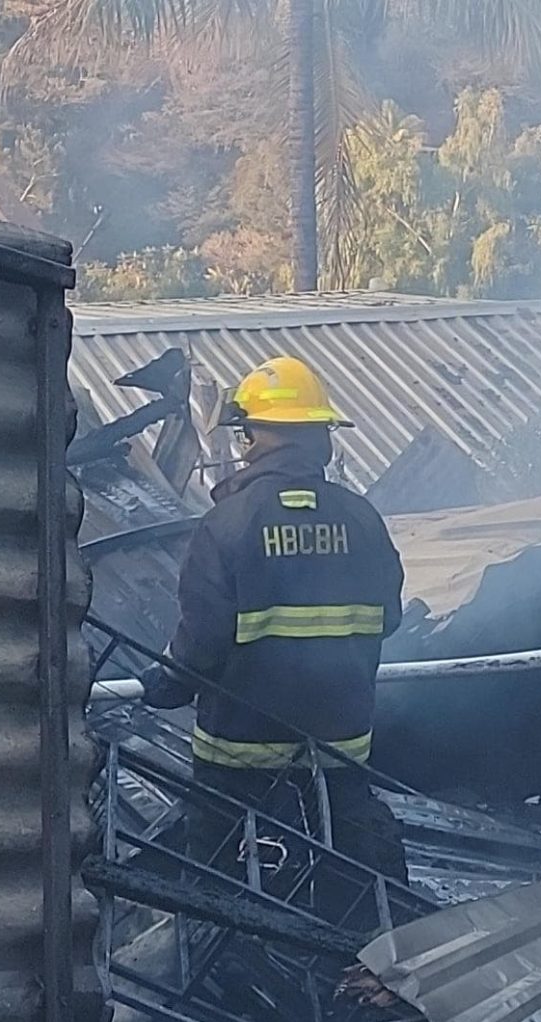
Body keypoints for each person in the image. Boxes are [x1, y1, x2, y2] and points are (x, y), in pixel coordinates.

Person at [141, 354, 406, 887]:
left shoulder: (226, 525)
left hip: (238, 758)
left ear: (252, 437)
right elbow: (390, 619)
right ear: (321, 437)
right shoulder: (363, 520)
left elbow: (201, 642)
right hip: (338, 750)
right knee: (347, 886)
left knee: (225, 889)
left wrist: (165, 684)